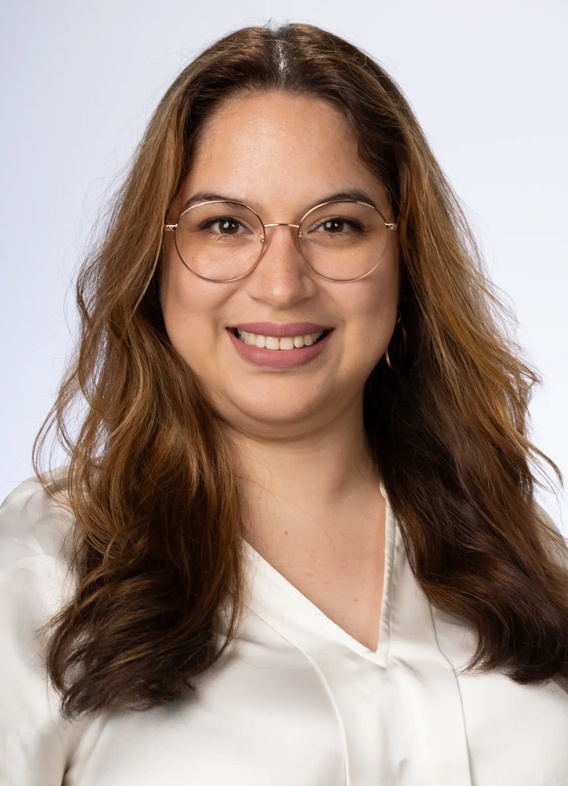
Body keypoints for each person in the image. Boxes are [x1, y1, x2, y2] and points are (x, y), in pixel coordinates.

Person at [1, 22, 567, 786]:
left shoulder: (518, 552)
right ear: (155, 264)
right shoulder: (42, 570)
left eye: (336, 225)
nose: (281, 282)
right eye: (224, 225)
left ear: (406, 266)